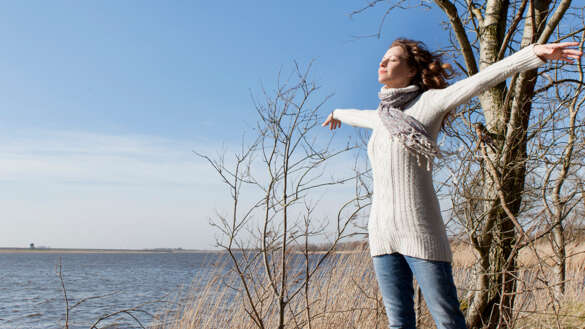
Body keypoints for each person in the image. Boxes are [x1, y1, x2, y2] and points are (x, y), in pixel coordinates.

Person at [322, 39, 582, 329]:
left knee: (448, 322)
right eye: (383, 58)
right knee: (398, 324)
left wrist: (533, 54)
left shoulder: (429, 103)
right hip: (381, 235)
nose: (383, 62)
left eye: (392, 59)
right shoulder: (382, 117)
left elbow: (481, 81)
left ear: (411, 71)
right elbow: (354, 115)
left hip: (420, 231)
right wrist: (336, 113)